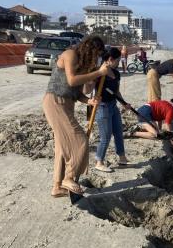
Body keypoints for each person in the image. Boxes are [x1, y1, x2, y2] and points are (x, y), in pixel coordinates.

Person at [42, 35, 109, 197]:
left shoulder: (83, 65)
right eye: (97, 54)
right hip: (55, 102)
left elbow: (80, 93)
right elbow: (71, 81)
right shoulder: (70, 54)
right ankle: (69, 177)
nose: (97, 58)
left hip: (67, 104)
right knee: (80, 140)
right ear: (90, 49)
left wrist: (90, 101)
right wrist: (98, 72)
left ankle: (57, 186)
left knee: (61, 147)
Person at [92, 47, 131, 172]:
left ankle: (122, 157)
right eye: (118, 60)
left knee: (119, 132)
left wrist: (124, 103)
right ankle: (99, 161)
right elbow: (89, 91)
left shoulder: (116, 73)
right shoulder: (98, 73)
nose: (119, 62)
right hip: (102, 107)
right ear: (110, 59)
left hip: (113, 105)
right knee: (106, 136)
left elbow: (117, 91)